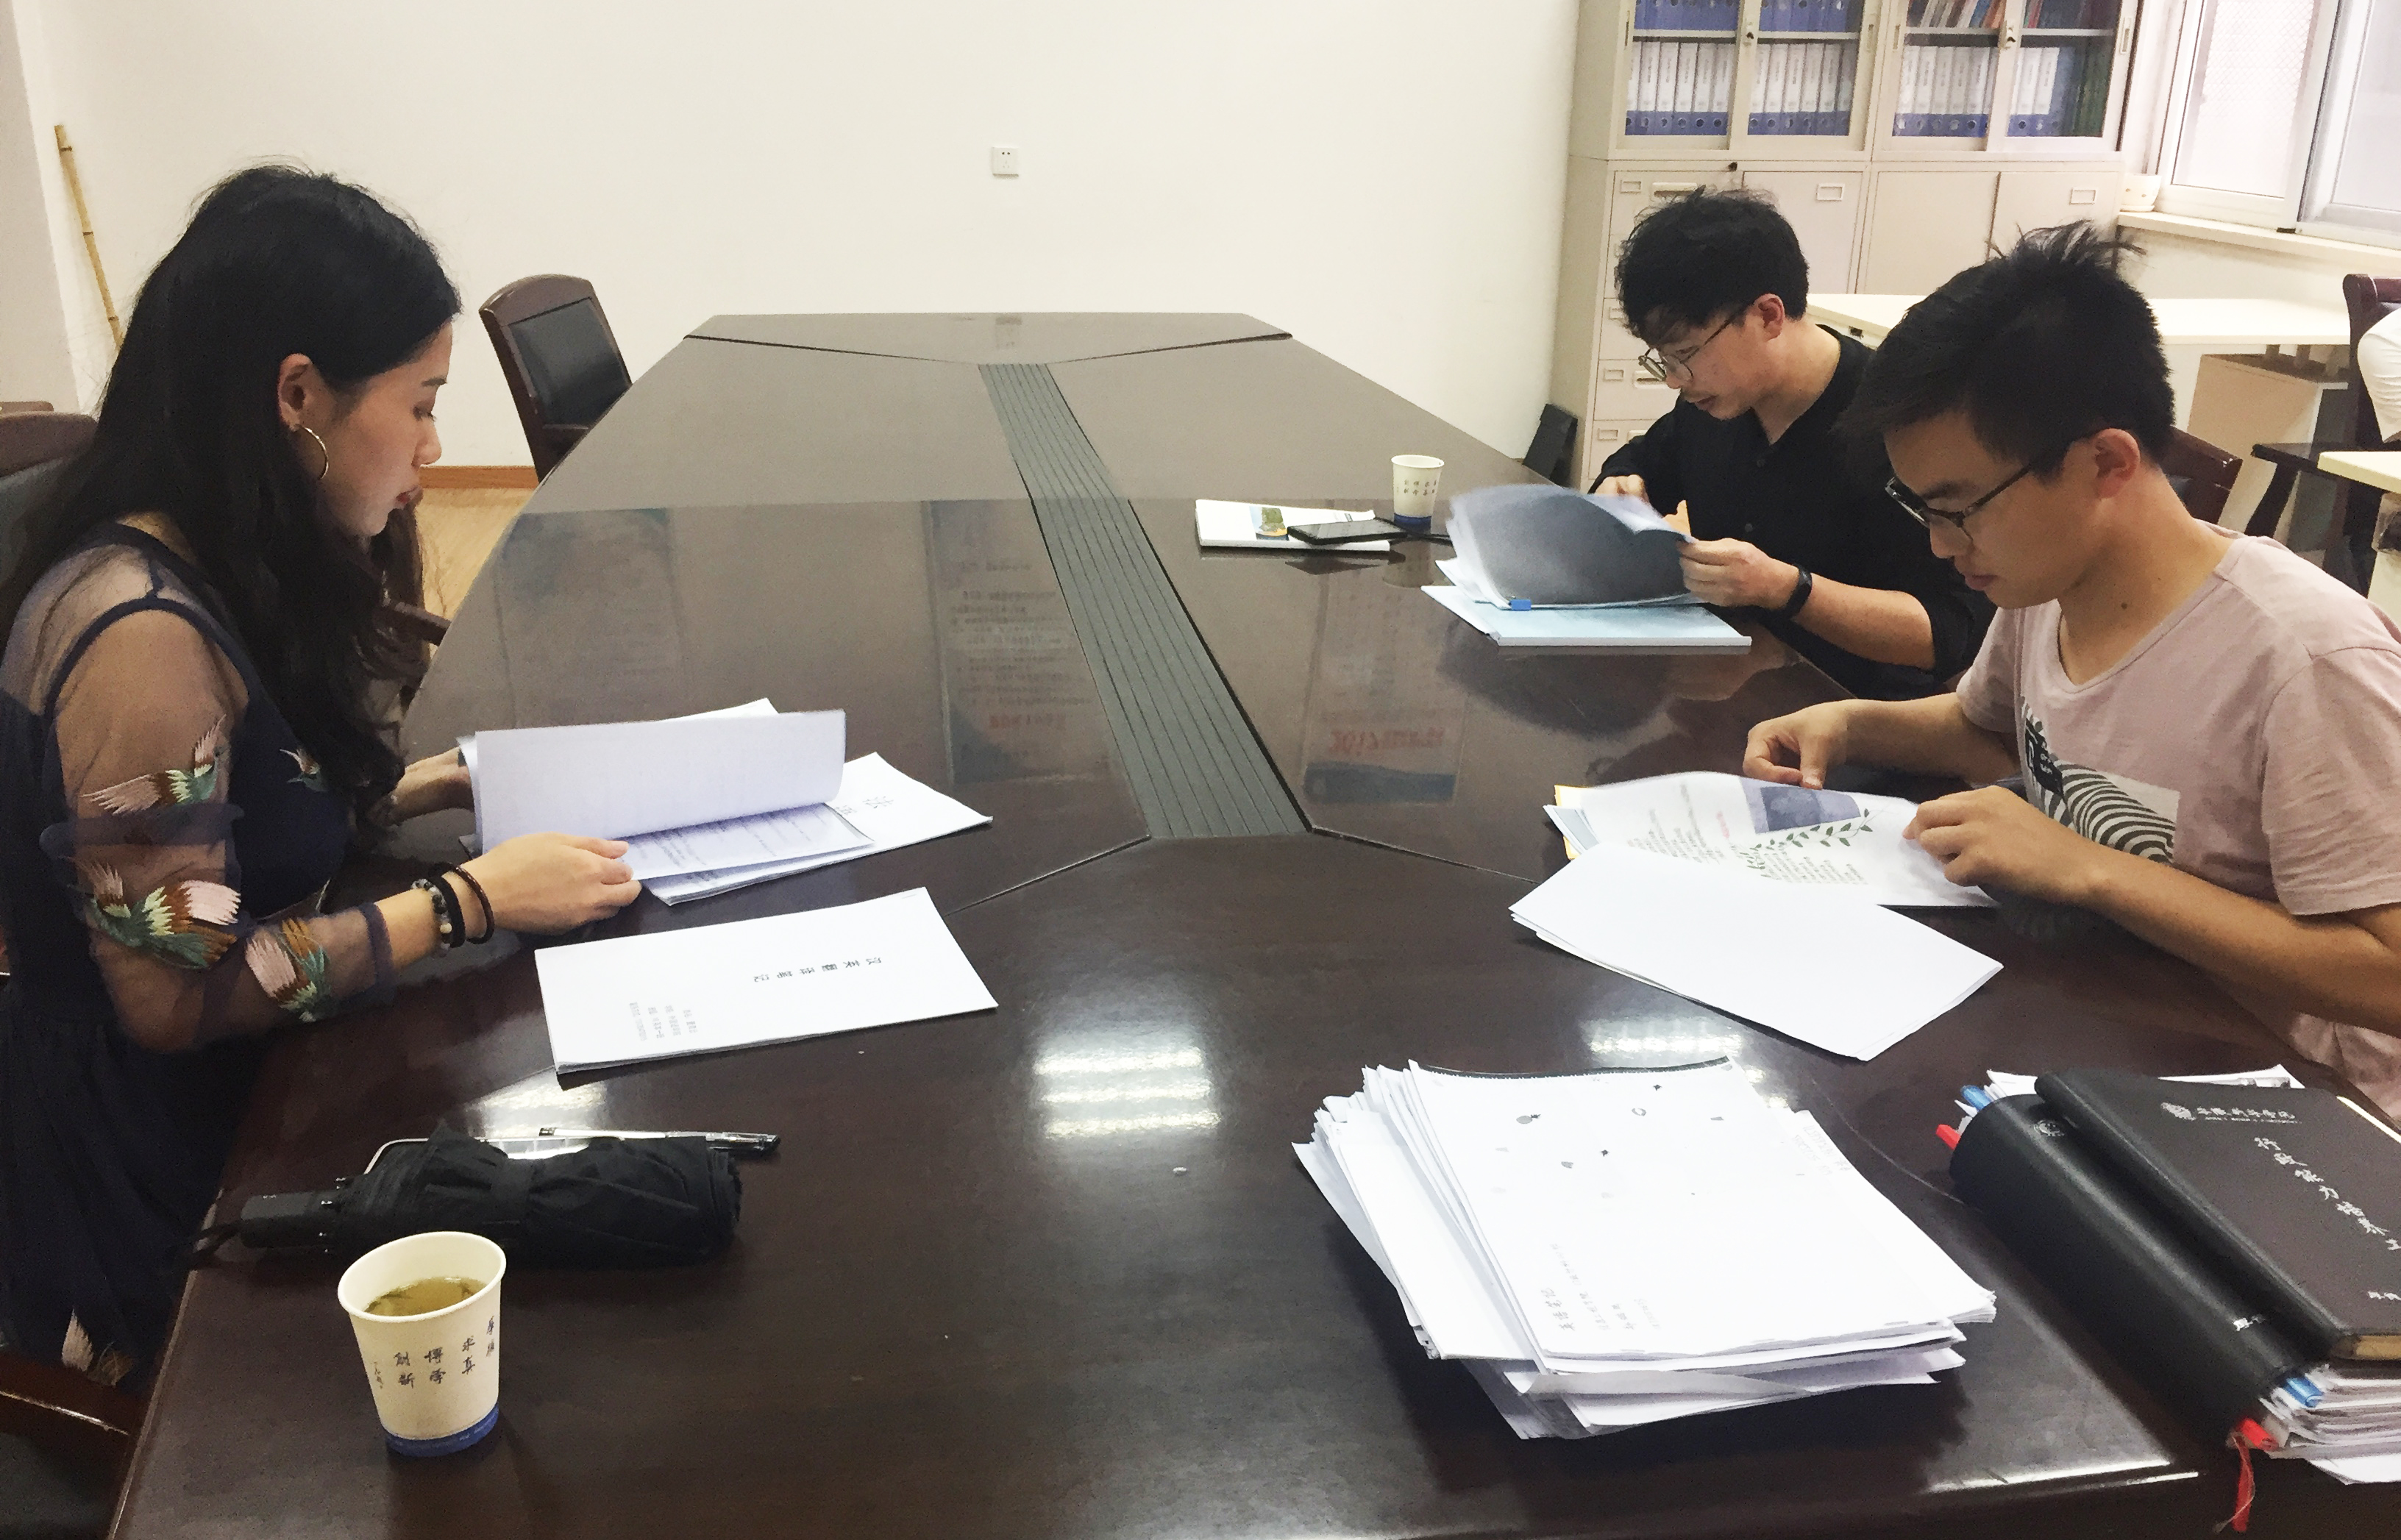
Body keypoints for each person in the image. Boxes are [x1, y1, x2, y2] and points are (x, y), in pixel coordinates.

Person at [0, 167, 642, 1387]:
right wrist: (467, 900)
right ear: (298, 395)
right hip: (165, 1174)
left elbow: (233, 817)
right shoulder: (140, 635)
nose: (434, 447)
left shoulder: (219, 550)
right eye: (420, 404)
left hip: (240, 1094)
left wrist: (416, 786)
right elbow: (178, 992)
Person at [1744, 224, 2401, 1117]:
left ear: (2106, 463)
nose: (1940, 548)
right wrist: (1854, 722)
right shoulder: (2043, 583)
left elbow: (2387, 974)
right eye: (1922, 511)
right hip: (2124, 1017)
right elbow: (1984, 729)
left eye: (1959, 510)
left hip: (2303, 1096)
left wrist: (2089, 868)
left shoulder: (2308, 661)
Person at [1593, 189, 1992, 699]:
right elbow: (1643, 464)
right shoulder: (1716, 403)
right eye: (1663, 360)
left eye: (1686, 354)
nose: (1674, 379)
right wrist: (1619, 487)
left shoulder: (1897, 426)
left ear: (1768, 316)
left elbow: (1950, 632)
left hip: (1856, 712)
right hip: (1726, 699)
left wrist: (1787, 589)